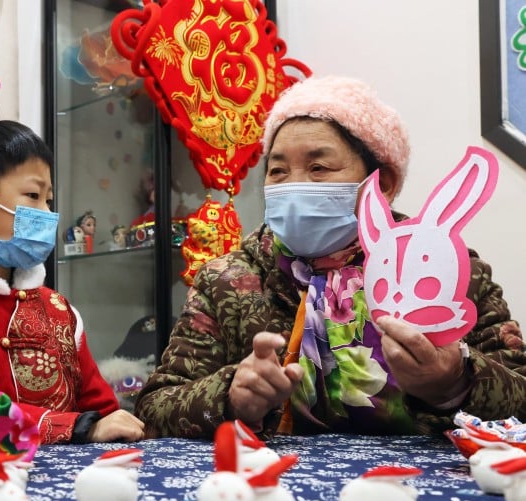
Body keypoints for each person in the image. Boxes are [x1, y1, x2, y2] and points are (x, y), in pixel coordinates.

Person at [136, 75, 526, 438]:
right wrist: (231, 397)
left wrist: (455, 382)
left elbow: (521, 398)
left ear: (383, 184)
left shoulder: (447, 268)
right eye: (277, 170)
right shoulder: (226, 281)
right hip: (276, 493)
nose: (294, 186)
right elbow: (154, 408)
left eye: (318, 167)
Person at [0, 114, 145, 444]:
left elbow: (102, 410)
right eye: (32, 196)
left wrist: (111, 423)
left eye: (49, 199)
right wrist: (77, 426)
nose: (46, 213)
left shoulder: (57, 309)